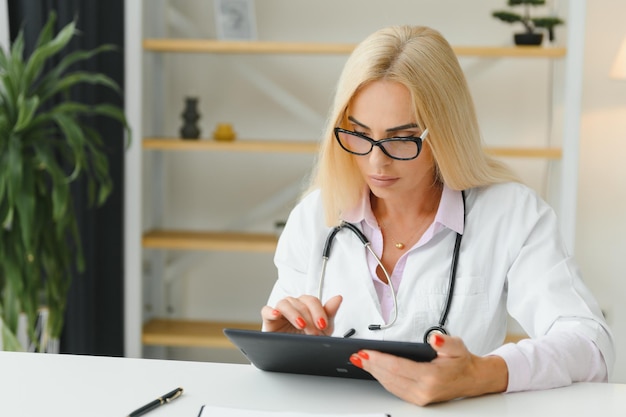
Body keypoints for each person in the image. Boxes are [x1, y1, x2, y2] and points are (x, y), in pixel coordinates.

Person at [260, 25, 614, 406]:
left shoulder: (511, 214)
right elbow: (283, 356)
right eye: (360, 134)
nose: (375, 161)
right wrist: (282, 345)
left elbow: (591, 344)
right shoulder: (315, 216)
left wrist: (484, 373)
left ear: (444, 131)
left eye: (401, 139)